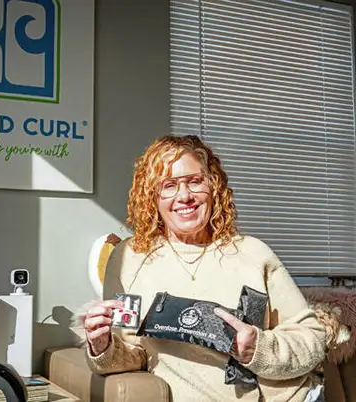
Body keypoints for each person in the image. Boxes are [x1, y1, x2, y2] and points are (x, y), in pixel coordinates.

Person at [81, 135, 326, 401]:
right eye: (169, 185)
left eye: (195, 181)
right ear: (152, 196)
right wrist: (102, 346)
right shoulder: (130, 259)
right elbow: (134, 354)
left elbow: (312, 339)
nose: (184, 196)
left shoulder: (254, 253)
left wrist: (258, 348)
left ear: (214, 186)